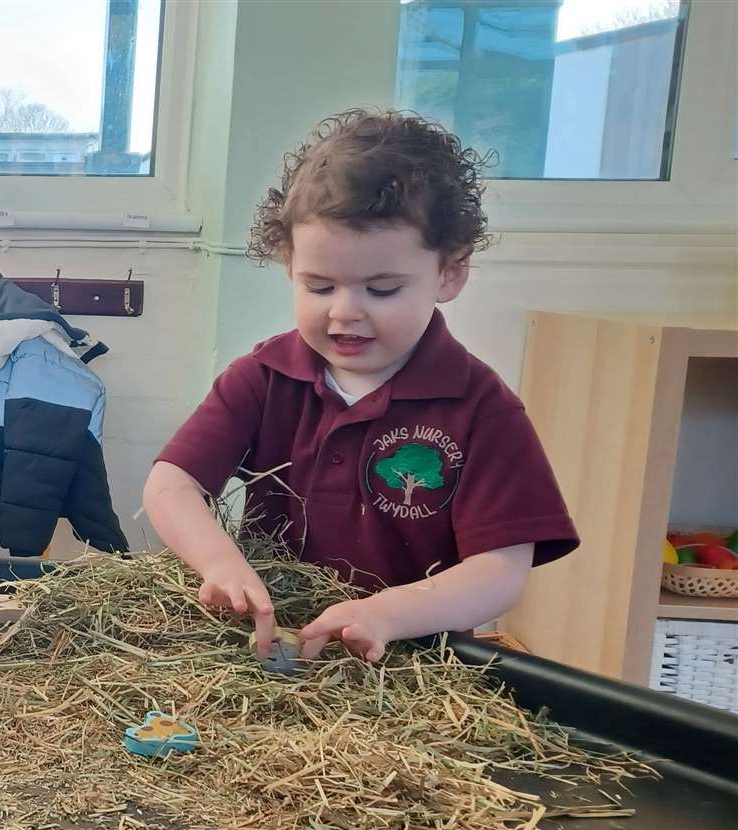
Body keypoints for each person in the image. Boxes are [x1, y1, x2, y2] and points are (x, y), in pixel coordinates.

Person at [143, 109, 578, 664]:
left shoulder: (482, 407)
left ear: (450, 273)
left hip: (410, 669)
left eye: (383, 289)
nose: (345, 313)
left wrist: (387, 614)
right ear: (288, 264)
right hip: (265, 658)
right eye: (320, 286)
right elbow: (170, 485)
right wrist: (220, 564)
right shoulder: (263, 377)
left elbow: (501, 570)